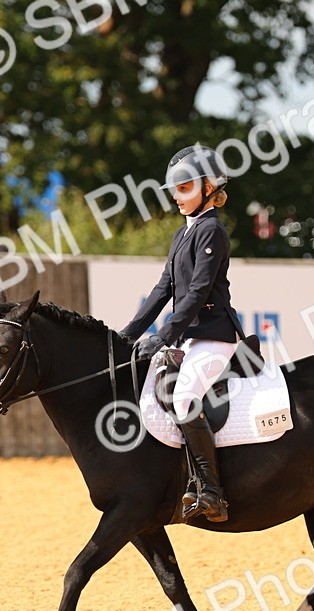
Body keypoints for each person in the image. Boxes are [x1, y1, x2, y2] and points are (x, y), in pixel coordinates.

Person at [120, 145, 244, 523]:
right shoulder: (182, 233)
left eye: (185, 187)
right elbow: (163, 290)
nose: (176, 195)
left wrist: (165, 334)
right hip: (191, 337)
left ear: (209, 187)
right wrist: (126, 336)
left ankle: (212, 490)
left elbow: (197, 292)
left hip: (215, 337)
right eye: (174, 188)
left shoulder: (212, 230)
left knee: (186, 396)